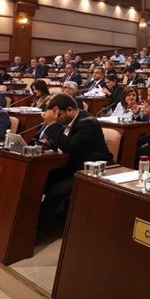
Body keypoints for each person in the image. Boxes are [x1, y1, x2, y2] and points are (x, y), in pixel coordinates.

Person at [37, 94, 112, 233]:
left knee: (56, 191)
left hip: (89, 170)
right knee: (39, 180)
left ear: (70, 110)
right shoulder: (68, 121)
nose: (57, 119)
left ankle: (38, 229)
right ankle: (36, 219)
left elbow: (69, 146)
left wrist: (52, 125)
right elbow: (61, 143)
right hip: (71, 165)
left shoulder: (88, 123)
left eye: (58, 115)